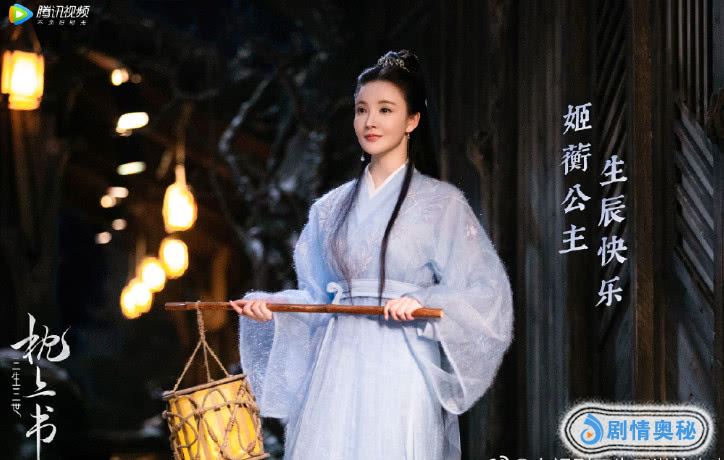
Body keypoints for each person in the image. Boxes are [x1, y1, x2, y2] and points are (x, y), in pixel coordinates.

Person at [231, 49, 513, 460]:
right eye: (362, 109)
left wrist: (423, 300)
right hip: (337, 361)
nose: (370, 121)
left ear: (412, 120)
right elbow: (319, 300)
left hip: (402, 359)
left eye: (385, 109)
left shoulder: (441, 203)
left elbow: (486, 291)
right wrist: (274, 308)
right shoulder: (330, 209)